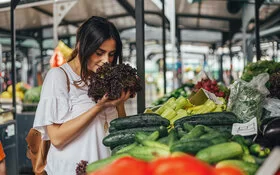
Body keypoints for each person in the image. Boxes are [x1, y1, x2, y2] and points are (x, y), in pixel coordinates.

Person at [33, 16, 132, 175]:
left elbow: (116, 132)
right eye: (99, 52)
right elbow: (57, 138)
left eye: (112, 54)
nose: (106, 60)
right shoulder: (59, 77)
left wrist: (119, 103)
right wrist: (99, 107)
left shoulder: (104, 78)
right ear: (81, 46)